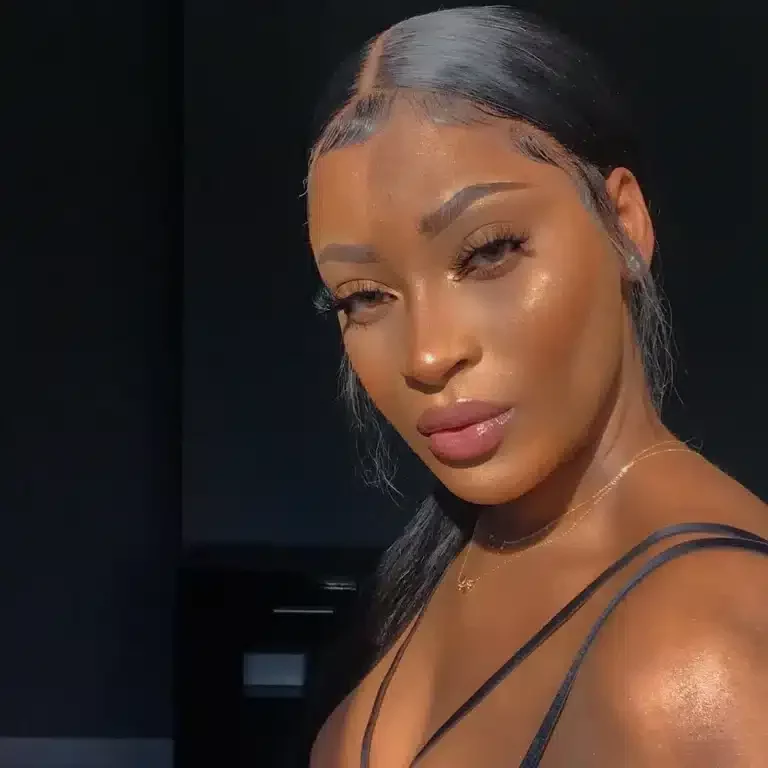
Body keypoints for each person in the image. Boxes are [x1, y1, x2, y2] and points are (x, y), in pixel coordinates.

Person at [304, 7, 768, 766]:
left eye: (489, 251)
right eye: (364, 296)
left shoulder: (708, 656)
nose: (428, 354)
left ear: (625, 223)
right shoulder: (446, 571)